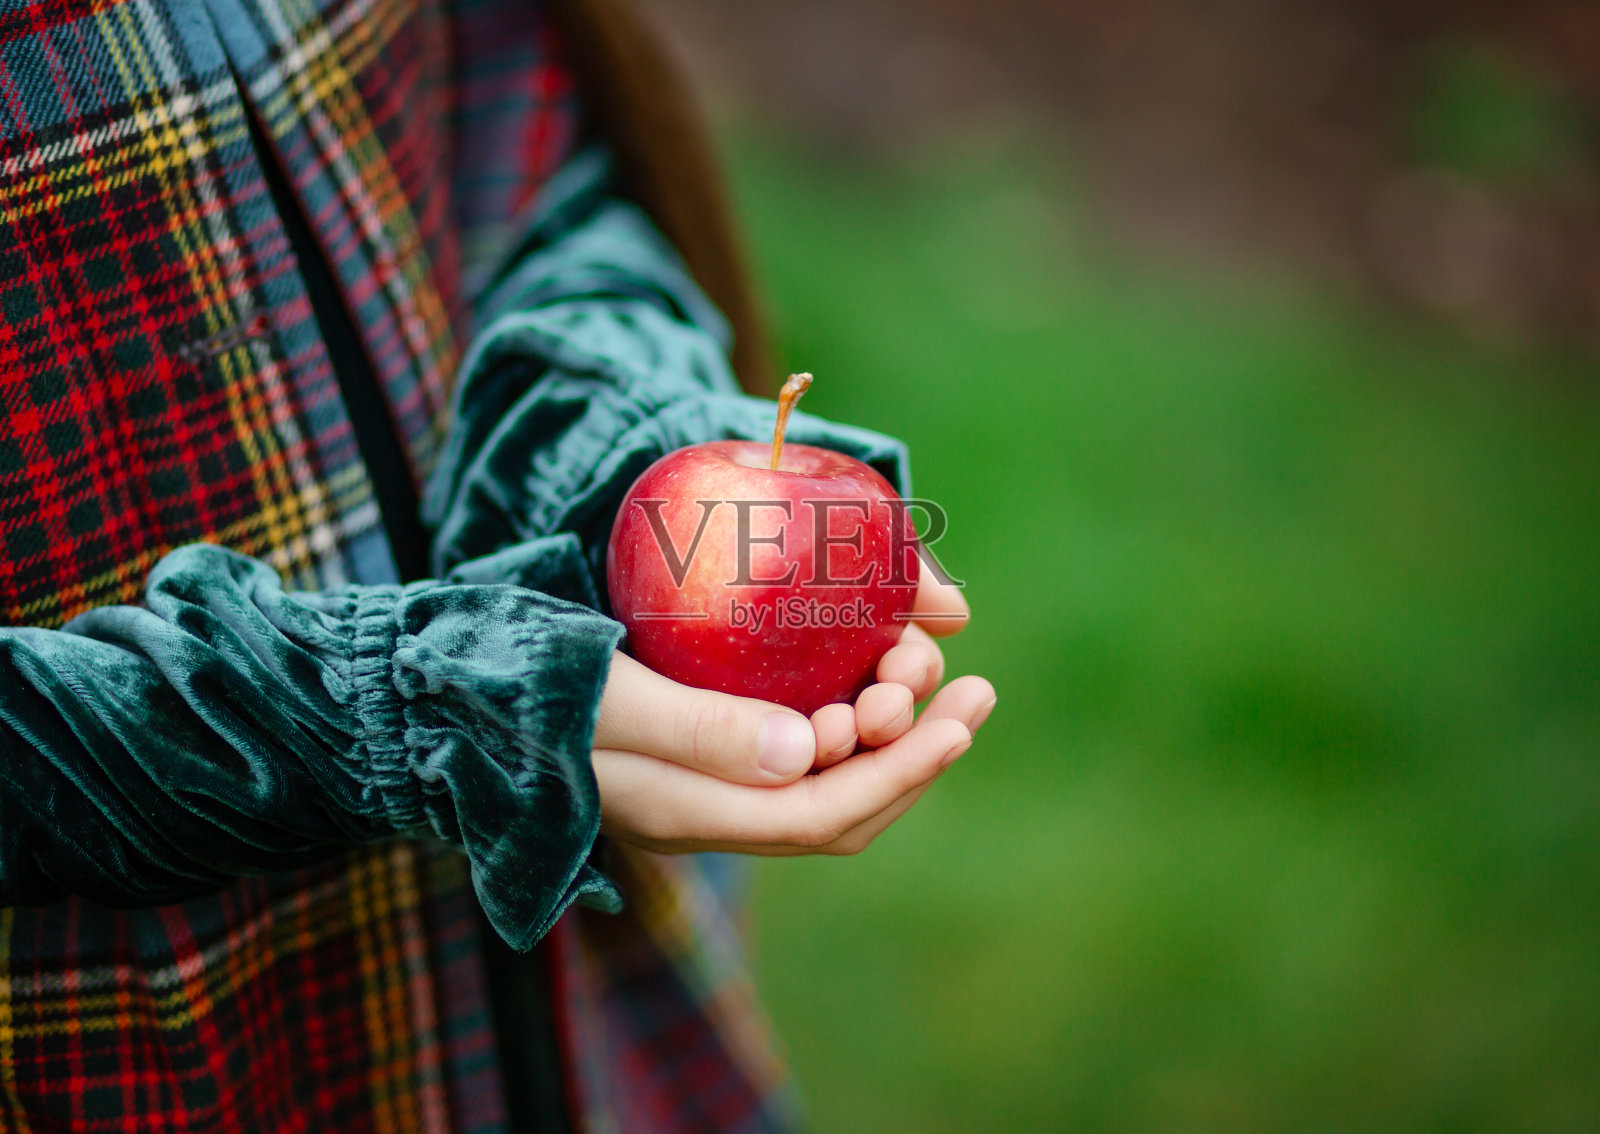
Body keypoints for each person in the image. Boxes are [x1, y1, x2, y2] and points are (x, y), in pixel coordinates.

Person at [0, 0, 994, 1130]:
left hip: (552, 984)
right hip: (134, 1024)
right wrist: (368, 713)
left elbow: (527, 172)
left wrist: (604, 447)